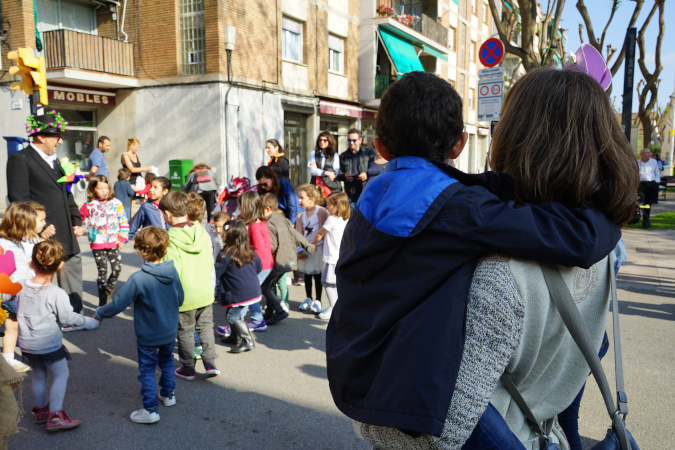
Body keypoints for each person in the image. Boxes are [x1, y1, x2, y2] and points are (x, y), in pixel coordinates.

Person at [325, 71, 623, 442]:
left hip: (354, 362)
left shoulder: (374, 195)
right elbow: (577, 238)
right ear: (460, 145)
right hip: (407, 392)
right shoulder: (462, 211)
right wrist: (610, 213)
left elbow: (480, 184)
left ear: (380, 148)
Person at [95, 226, 184, 424]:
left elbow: (119, 304)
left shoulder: (138, 279)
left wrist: (100, 312)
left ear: (141, 250)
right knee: (167, 361)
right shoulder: (173, 272)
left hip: (148, 335)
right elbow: (180, 298)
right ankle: (168, 395)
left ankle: (150, 409)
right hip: (169, 331)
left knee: (147, 370)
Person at [6, 112, 84, 313]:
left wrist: (76, 218)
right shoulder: (20, 159)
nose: (59, 141)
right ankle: (50, 317)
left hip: (66, 227)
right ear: (41, 136)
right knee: (47, 278)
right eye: (56, 136)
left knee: (73, 266)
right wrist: (39, 226)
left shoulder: (56, 161)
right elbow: (19, 198)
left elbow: (65, 193)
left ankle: (74, 315)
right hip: (43, 231)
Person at [17, 240, 99, 432]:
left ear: (32, 262)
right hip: (49, 345)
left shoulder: (20, 286)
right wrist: (91, 322)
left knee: (38, 375)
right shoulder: (56, 293)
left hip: (27, 344)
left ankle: (41, 411)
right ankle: (55, 416)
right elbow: (68, 318)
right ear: (60, 264)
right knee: (61, 375)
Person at [159, 191, 219, 381]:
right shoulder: (201, 230)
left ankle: (188, 368)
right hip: (205, 291)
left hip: (185, 295)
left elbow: (172, 271)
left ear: (168, 214)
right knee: (206, 327)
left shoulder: (170, 239)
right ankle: (210, 363)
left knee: (185, 331)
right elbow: (209, 260)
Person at [0, 202, 45, 373]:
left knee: (14, 326)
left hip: (16, 294)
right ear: (21, 225)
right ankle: (27, 357)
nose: (38, 227)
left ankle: (9, 359)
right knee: (23, 326)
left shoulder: (16, 242)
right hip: (11, 295)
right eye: (32, 225)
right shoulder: (4, 245)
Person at [259, 193, 315, 325]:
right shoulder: (283, 219)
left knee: (264, 286)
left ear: (267, 209)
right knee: (270, 284)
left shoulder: (269, 223)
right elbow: (296, 235)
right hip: (289, 260)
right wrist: (309, 247)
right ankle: (268, 313)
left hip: (279, 261)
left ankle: (279, 311)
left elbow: (272, 246)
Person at [79, 175, 129, 306]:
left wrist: (122, 239)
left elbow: (123, 221)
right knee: (102, 272)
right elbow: (78, 218)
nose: (104, 191)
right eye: (100, 188)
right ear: (93, 189)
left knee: (117, 269)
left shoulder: (116, 203)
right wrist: (76, 228)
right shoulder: (89, 205)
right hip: (98, 244)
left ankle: (109, 288)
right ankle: (102, 302)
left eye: (106, 188)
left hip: (114, 243)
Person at [216, 219, 262, 353]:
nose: (221, 234)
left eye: (223, 232)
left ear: (230, 236)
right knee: (232, 313)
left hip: (239, 293)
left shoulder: (224, 255)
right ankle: (234, 337)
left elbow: (216, 272)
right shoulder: (250, 250)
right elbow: (259, 267)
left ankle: (248, 341)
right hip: (252, 290)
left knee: (232, 316)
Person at [310, 192, 350, 320]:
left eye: (328, 205)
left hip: (332, 257)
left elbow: (319, 234)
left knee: (327, 282)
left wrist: (311, 244)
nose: (327, 207)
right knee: (335, 283)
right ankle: (337, 307)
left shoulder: (331, 219)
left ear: (337, 206)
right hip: (342, 256)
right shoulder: (347, 219)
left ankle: (334, 307)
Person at [237, 191, 272, 332]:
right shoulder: (259, 223)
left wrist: (250, 267)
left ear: (248, 208)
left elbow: (259, 250)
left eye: (241, 207)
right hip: (263, 265)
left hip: (259, 266)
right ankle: (258, 321)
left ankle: (236, 323)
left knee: (246, 295)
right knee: (252, 294)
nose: (239, 210)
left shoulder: (254, 227)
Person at [295, 184, 328, 314]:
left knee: (318, 275)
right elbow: (298, 234)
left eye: (301, 198)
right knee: (307, 275)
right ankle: (308, 298)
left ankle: (318, 300)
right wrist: (299, 250)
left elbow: (326, 230)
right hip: (305, 250)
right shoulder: (300, 216)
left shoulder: (321, 212)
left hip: (318, 249)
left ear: (312, 199)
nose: (299, 201)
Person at [338, 129, 376, 207]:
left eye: (354, 140)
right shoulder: (343, 156)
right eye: (349, 140)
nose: (351, 143)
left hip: (366, 190)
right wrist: (344, 176)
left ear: (360, 140)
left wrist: (366, 174)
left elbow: (376, 168)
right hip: (350, 192)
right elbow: (338, 172)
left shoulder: (369, 152)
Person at [121, 138, 152, 216]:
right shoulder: (125, 155)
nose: (138, 149)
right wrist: (146, 168)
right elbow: (131, 169)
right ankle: (131, 219)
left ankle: (144, 217)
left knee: (143, 199)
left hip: (139, 179)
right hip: (130, 179)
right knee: (132, 202)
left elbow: (139, 167)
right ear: (132, 145)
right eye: (137, 147)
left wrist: (148, 170)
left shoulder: (136, 155)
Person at [638, 147, 661, 228]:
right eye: (646, 153)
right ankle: (636, 217)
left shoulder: (653, 162)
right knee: (637, 201)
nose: (648, 154)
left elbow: (657, 173)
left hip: (651, 183)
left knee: (648, 202)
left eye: (649, 153)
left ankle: (646, 219)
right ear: (641, 154)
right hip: (640, 184)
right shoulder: (637, 162)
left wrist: (656, 182)